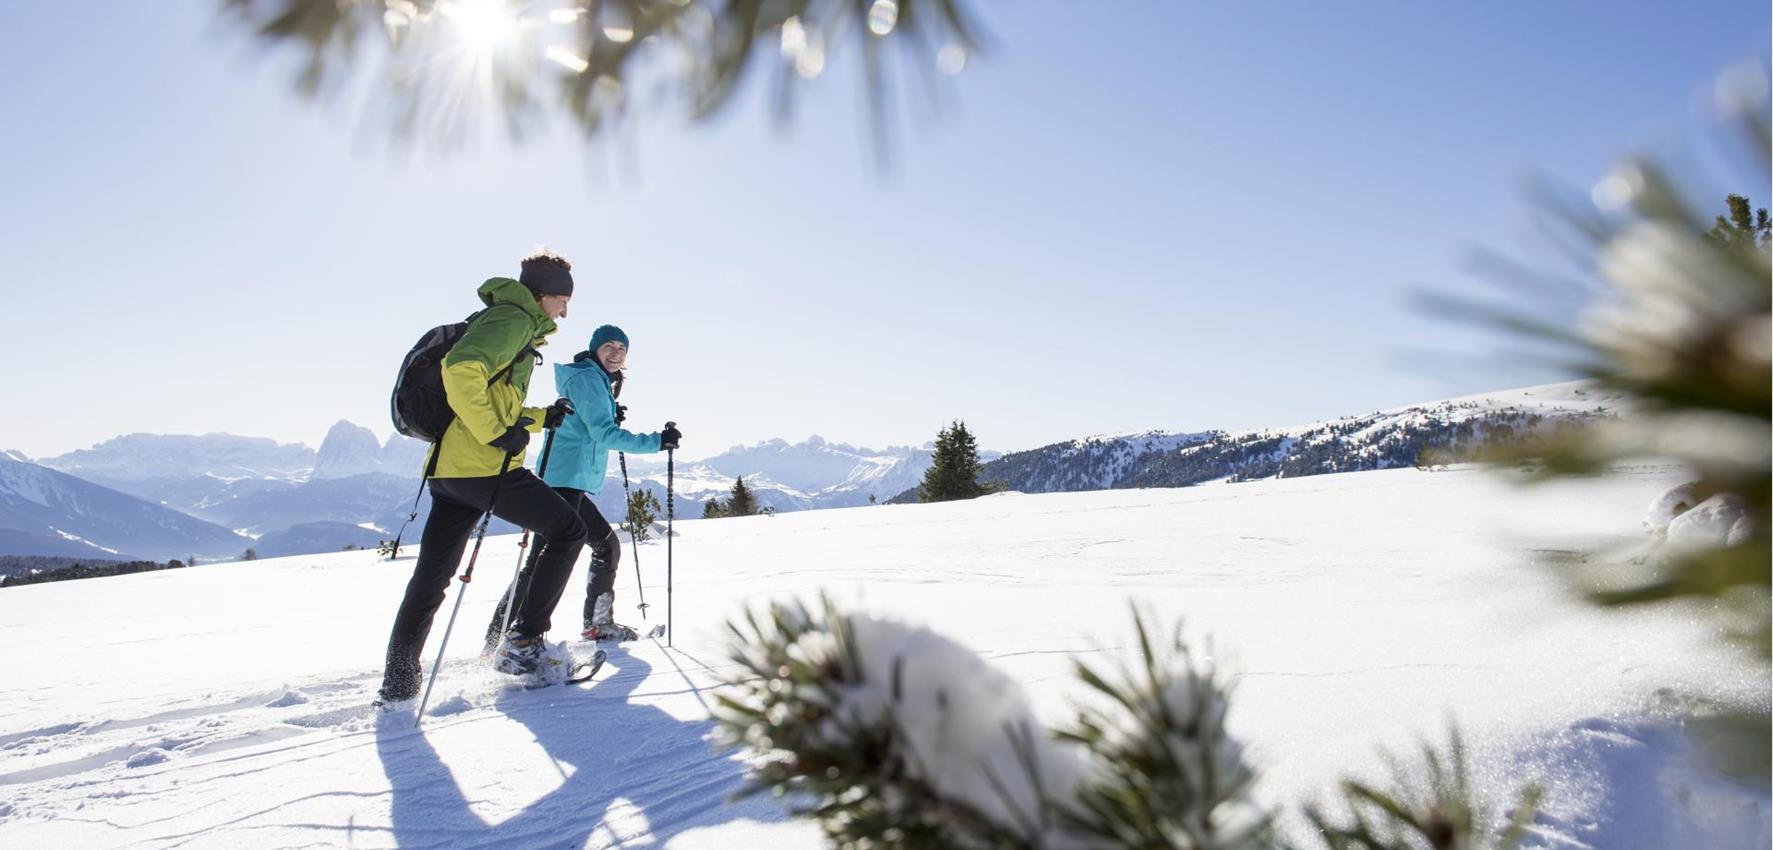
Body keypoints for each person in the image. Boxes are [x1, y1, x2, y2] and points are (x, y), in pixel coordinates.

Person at [376, 251, 589, 705]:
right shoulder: (512, 320)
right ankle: (525, 643)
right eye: (562, 300)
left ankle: (398, 683)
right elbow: (461, 371)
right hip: (484, 466)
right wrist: (497, 435)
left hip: (451, 469)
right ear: (542, 294)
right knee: (569, 530)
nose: (565, 311)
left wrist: (538, 418)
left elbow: (493, 399)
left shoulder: (503, 319)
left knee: (431, 579)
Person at [485, 324, 682, 648]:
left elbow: (588, 423)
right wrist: (657, 441)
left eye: (622, 348)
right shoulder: (590, 380)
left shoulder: (595, 380)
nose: (616, 353)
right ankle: (514, 638)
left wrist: (608, 411)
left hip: (568, 478)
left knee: (600, 547)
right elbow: (603, 434)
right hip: (565, 478)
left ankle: (584, 626)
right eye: (610, 346)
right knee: (550, 559)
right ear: (595, 349)